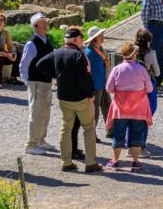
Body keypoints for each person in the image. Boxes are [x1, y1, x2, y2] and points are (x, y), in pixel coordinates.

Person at [44, 27, 103, 173]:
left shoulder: (56, 53)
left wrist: (58, 75)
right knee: (89, 128)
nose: (83, 41)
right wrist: (90, 94)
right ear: (76, 40)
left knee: (66, 128)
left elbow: (39, 65)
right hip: (80, 98)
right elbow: (83, 79)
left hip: (63, 97)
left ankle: (66, 162)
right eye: (81, 38)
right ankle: (90, 163)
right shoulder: (78, 55)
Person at [104, 43, 154, 171]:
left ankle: (115, 161)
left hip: (120, 109)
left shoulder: (116, 69)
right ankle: (135, 161)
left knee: (118, 134)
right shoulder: (141, 69)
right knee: (137, 135)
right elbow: (150, 89)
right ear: (134, 54)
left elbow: (109, 89)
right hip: (138, 109)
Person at [19, 13, 55, 151]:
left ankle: (40, 140)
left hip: (46, 82)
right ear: (35, 26)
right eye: (42, 22)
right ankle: (30, 144)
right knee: (35, 114)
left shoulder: (46, 40)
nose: (46, 24)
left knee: (45, 113)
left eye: (46, 22)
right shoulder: (31, 43)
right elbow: (23, 66)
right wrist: (29, 84)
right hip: (36, 82)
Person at [133, 27, 163, 124]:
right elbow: (158, 73)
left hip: (133, 83)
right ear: (148, 41)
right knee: (151, 106)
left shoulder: (131, 51)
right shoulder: (151, 54)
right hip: (147, 84)